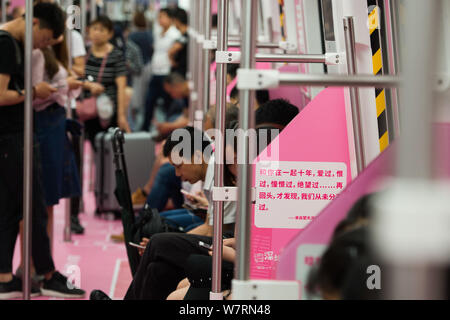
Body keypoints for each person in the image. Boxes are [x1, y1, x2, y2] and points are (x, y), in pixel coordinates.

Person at [0, 2, 85, 299]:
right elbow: (1, 94)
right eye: (46, 38)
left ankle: (6, 277)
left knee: (11, 208)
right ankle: (46, 274)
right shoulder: (7, 45)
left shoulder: (13, 44)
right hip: (13, 137)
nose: (44, 45)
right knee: (32, 207)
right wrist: (34, 92)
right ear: (34, 23)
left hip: (15, 135)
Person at [80, 15, 130, 149]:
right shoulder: (84, 52)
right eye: (94, 29)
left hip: (108, 109)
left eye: (102, 30)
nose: (97, 33)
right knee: (92, 146)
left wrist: (121, 115)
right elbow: (76, 76)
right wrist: (89, 85)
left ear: (110, 34)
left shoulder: (116, 55)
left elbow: (121, 87)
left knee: (109, 149)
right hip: (87, 109)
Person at [141, 7, 181, 131]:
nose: (160, 20)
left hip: (166, 73)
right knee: (149, 102)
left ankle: (168, 130)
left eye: (163, 17)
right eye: (159, 17)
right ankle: (145, 129)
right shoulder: (157, 32)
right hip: (155, 72)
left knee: (168, 104)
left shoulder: (175, 34)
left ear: (170, 19)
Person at [168, 7, 188, 77]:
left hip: (181, 72)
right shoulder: (185, 34)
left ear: (177, 20)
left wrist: (172, 61)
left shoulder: (185, 35)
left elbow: (171, 51)